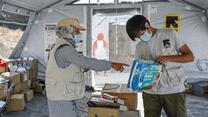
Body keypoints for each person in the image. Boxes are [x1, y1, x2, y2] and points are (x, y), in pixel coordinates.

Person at [45, 17, 129, 117]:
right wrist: (111, 65)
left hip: (65, 95)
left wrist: (82, 68)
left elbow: (68, 67)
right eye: (76, 31)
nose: (78, 34)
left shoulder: (63, 46)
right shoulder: (65, 49)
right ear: (68, 30)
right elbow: (86, 62)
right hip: (60, 97)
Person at [126, 15, 194, 117]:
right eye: (138, 37)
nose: (141, 38)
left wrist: (168, 58)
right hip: (150, 93)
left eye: (141, 34)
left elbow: (190, 57)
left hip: (174, 89)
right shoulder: (139, 46)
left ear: (147, 25)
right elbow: (138, 68)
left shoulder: (170, 34)